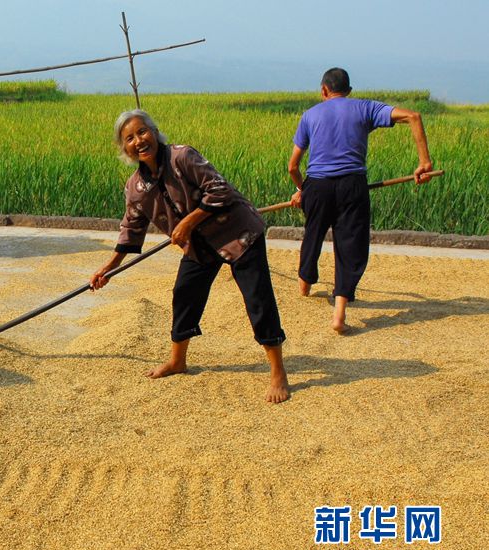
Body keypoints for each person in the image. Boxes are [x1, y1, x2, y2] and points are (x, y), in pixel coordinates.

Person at [90, 109, 290, 404]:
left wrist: (186, 222)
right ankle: (178, 361)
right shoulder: (136, 188)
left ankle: (278, 372)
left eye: (142, 131)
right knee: (184, 294)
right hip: (200, 247)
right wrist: (107, 269)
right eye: (129, 138)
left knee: (257, 298)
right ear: (125, 149)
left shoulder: (182, 157)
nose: (138, 140)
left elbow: (220, 190)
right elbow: (131, 230)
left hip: (239, 234)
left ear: (155, 132)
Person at [288, 67, 434, 333]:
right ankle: (339, 313)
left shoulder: (309, 116)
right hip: (352, 186)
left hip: (317, 186)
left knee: (313, 234)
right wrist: (424, 162)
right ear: (350, 91)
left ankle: (305, 285)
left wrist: (303, 190)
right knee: (350, 244)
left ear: (323, 90)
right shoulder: (364, 108)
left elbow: (293, 167)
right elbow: (413, 116)